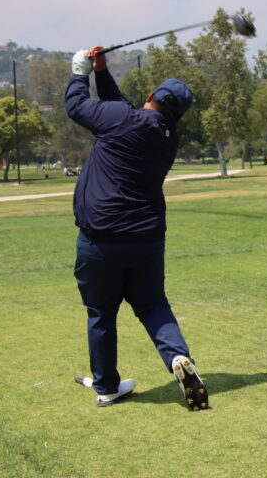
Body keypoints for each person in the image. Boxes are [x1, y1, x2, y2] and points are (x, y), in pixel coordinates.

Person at [65, 46, 207, 410]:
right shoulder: (167, 138)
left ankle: (108, 386)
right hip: (145, 240)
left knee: (101, 313)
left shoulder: (122, 120)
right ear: (178, 117)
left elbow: (77, 107)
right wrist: (103, 73)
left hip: (102, 241)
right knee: (152, 305)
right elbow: (123, 111)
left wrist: (81, 72)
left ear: (149, 97)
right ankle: (177, 358)